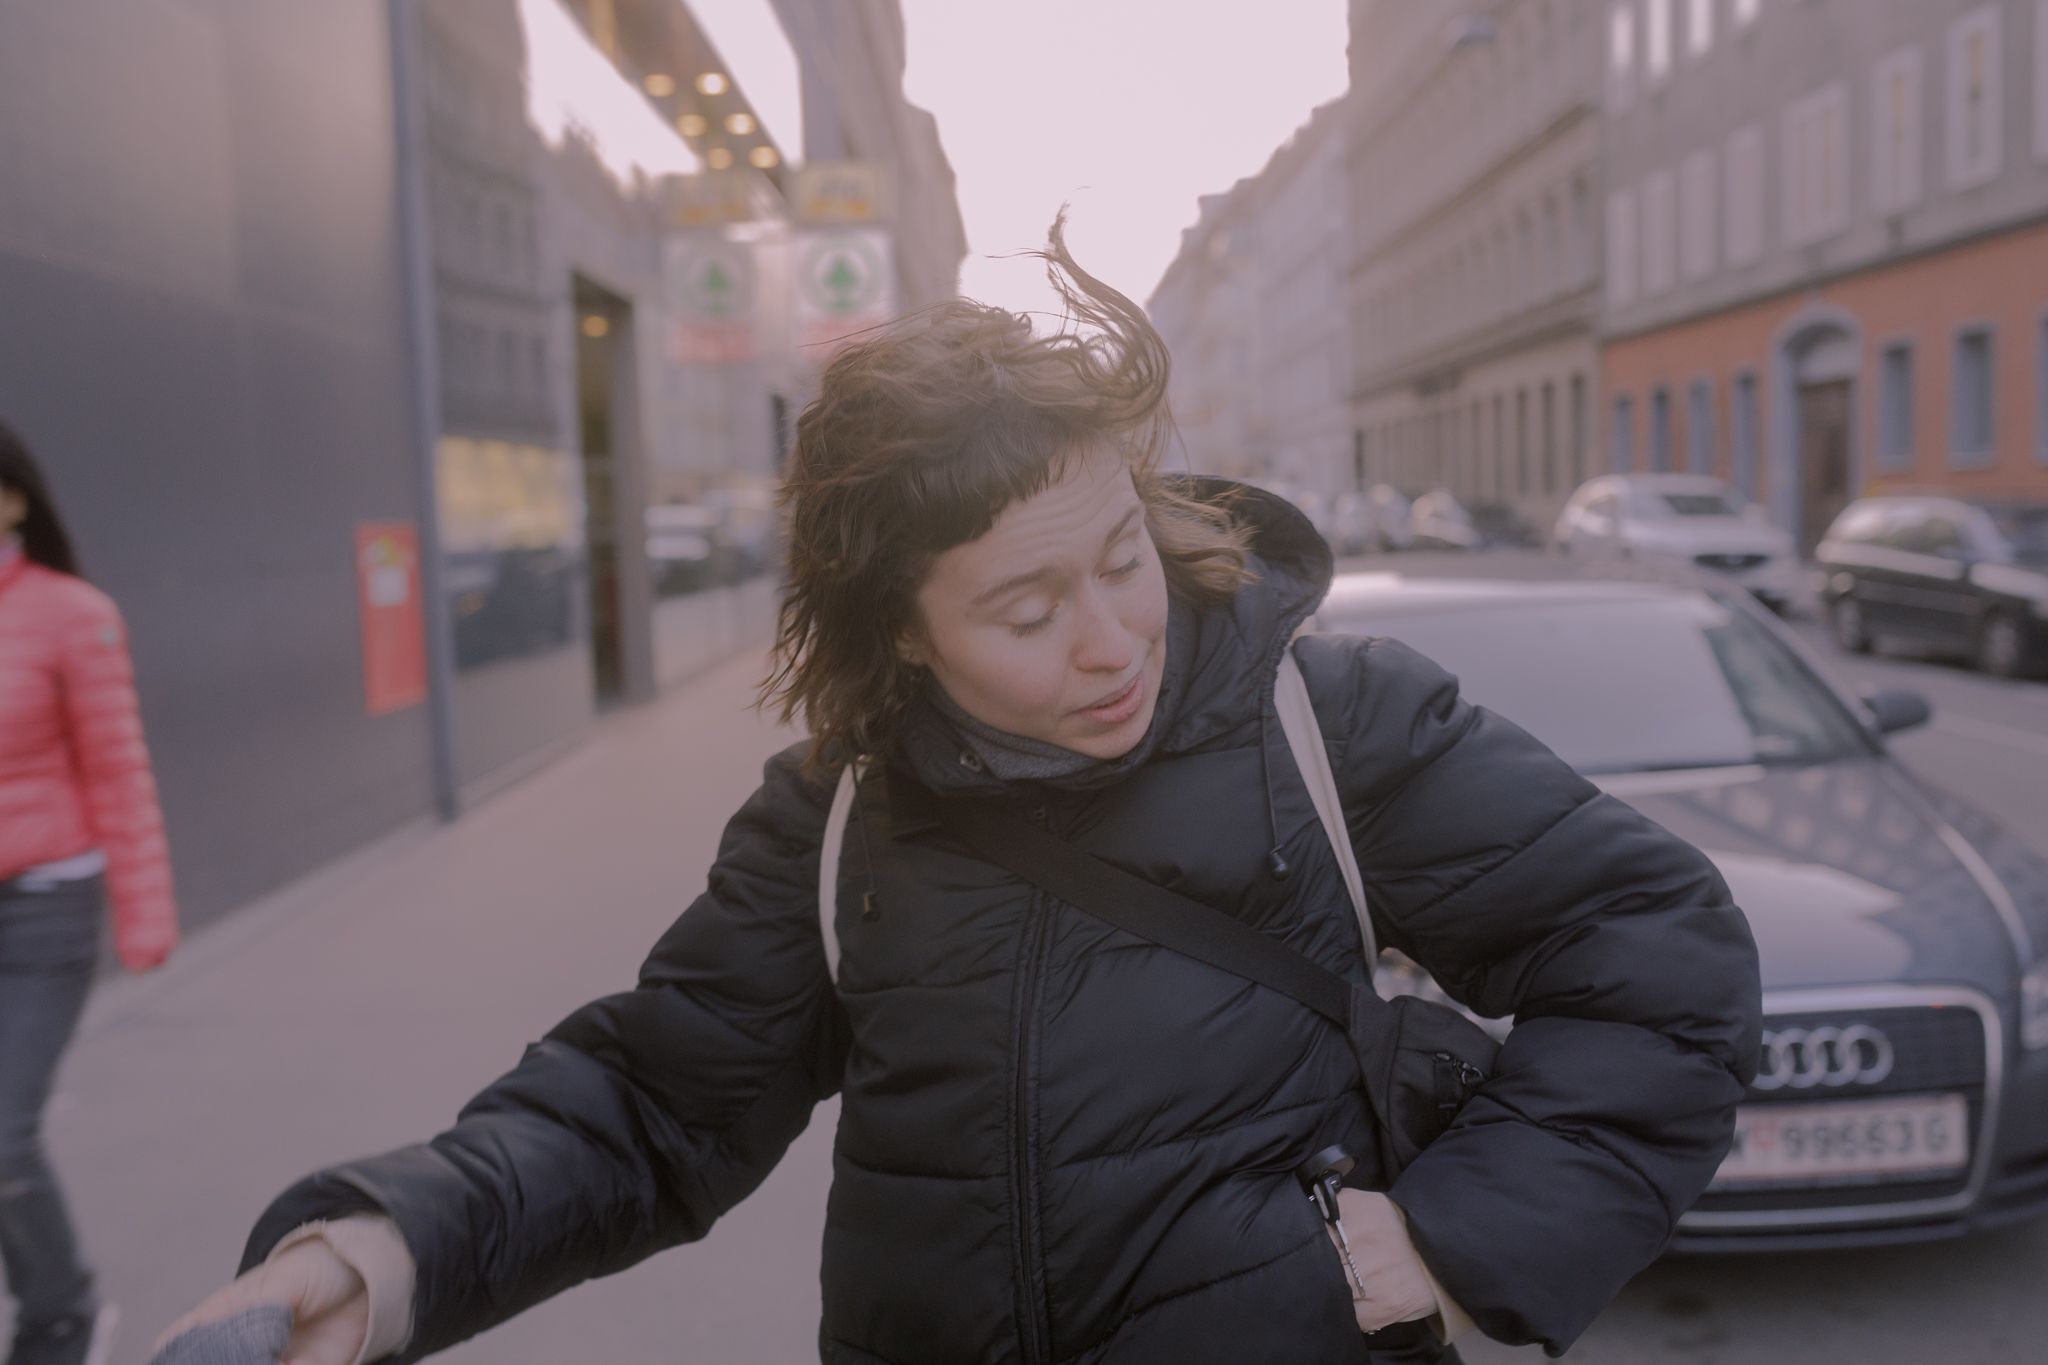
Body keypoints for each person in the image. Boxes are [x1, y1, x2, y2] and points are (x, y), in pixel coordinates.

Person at [159, 222, 1759, 1365]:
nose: (1112, 636)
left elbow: (1660, 954)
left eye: (1121, 555)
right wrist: (389, 1248)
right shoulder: (836, 822)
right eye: (1024, 608)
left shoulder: (1325, 723)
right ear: (903, 635)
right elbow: (654, 1104)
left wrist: (1455, 1243)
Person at [2, 421, 180, 1365]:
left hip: (44, 903)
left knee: (2, 1133)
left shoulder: (73, 613)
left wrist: (144, 915)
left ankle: (61, 1311)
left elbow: (118, 771)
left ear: (13, 499)